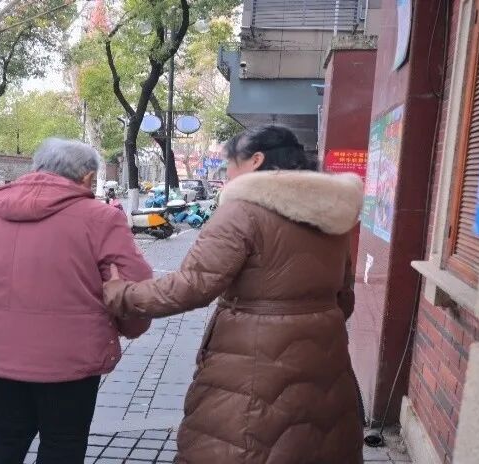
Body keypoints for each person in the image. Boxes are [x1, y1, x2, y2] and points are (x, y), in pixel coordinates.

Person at [103, 125, 365, 463]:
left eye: (230, 163)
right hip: (326, 354)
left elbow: (193, 286)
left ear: (256, 160)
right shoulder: (332, 214)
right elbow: (345, 297)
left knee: (244, 443)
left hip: (252, 359)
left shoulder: (243, 211)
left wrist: (121, 294)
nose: (227, 173)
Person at [0, 138, 152, 464]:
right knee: (63, 438)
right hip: (70, 353)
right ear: (86, 177)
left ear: (36, 168)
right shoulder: (101, 218)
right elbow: (133, 285)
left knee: (9, 428)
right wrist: (131, 328)